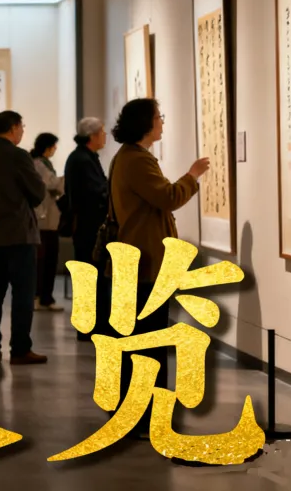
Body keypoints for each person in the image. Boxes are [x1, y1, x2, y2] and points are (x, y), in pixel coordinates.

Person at [107, 98, 208, 438]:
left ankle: (136, 412)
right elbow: (168, 197)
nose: (162, 122)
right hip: (144, 262)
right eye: (158, 117)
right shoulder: (136, 160)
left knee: (139, 338)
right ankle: (143, 415)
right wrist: (192, 176)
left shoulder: (129, 157)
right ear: (145, 124)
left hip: (137, 259)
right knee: (147, 340)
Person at [0, 111, 48, 365]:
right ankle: (20, 348)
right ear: (14, 127)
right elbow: (37, 192)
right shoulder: (18, 155)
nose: (22, 131)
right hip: (19, 232)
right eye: (22, 126)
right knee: (23, 292)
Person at [62, 117, 109, 340]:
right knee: (90, 276)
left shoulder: (84, 157)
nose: (105, 135)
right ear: (92, 136)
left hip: (88, 225)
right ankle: (91, 327)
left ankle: (92, 325)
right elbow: (95, 192)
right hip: (88, 226)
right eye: (102, 132)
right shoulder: (82, 159)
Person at [31, 133, 66, 312]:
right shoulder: (38, 164)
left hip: (49, 219)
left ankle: (46, 297)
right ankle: (38, 297)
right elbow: (53, 184)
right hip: (42, 219)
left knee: (49, 260)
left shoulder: (44, 164)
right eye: (54, 145)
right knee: (42, 261)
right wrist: (65, 181)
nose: (55, 149)